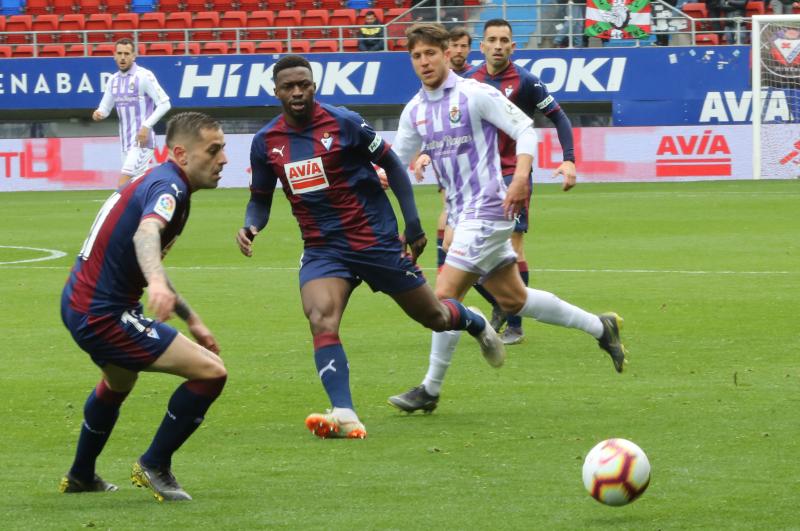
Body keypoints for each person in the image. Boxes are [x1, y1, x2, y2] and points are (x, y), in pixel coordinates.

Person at [236, 55, 504, 440]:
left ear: (313, 86)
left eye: (304, 84)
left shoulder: (344, 122)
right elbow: (261, 197)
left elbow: (393, 165)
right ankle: (344, 411)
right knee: (321, 320)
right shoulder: (266, 143)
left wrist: (412, 224)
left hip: (373, 240)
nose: (297, 92)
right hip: (322, 248)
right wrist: (251, 224)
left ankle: (473, 321)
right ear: (276, 91)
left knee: (435, 317)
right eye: (288, 86)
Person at [387, 23, 627, 414]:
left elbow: (525, 128)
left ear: (447, 54)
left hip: (490, 207)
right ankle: (601, 327)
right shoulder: (415, 111)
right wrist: (373, 177)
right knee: (515, 299)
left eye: (431, 53)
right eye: (417, 56)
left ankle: (431, 387)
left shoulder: (475, 94)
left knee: (443, 299)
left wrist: (519, 178)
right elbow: (397, 160)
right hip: (463, 214)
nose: (424, 61)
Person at [59, 112, 228, 502]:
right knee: (211, 373)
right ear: (182, 154)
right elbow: (146, 232)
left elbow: (142, 250)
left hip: (78, 303)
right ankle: (154, 463)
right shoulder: (170, 187)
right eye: (214, 150)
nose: (223, 160)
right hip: (103, 315)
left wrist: (193, 318)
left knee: (119, 382)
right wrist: (153, 282)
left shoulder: (158, 179)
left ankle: (81, 474)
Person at [466, 18, 578, 346]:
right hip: (478, 176)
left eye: (504, 40)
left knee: (513, 246)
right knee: (459, 245)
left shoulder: (526, 82)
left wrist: (568, 157)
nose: (498, 45)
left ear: (513, 47)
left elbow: (559, 116)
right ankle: (499, 304)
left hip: (515, 174)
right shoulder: (468, 82)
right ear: (482, 45)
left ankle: (514, 324)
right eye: (492, 40)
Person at [93, 38, 171, 187]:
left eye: (127, 54)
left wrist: (146, 126)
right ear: (114, 55)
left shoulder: (144, 76)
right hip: (125, 143)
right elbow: (105, 108)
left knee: (123, 186)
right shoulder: (113, 80)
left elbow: (165, 103)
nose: (123, 57)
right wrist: (98, 113)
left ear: (134, 56)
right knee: (136, 188)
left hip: (142, 141)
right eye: (120, 53)